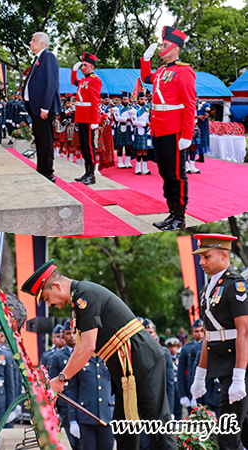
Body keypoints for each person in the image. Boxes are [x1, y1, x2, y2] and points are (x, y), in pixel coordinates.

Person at [22, 260, 175, 450]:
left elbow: (87, 346)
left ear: (56, 285)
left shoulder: (85, 296)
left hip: (143, 362)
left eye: (46, 298)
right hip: (126, 369)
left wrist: (61, 378)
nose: (50, 304)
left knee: (158, 427)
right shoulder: (80, 299)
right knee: (123, 429)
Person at [189, 233, 248, 450]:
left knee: (227, 437)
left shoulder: (235, 285)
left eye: (206, 256)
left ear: (224, 255)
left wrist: (239, 376)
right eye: (200, 257)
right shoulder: (208, 291)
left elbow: (244, 332)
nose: (201, 262)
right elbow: (210, 335)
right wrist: (199, 375)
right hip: (224, 369)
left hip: (239, 367)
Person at [141, 26, 196, 231]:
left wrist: (187, 135)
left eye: (164, 45)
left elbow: (190, 104)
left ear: (175, 48)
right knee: (165, 173)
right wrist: (145, 60)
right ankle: (171, 213)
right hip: (159, 128)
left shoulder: (184, 71)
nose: (161, 48)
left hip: (173, 129)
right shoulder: (163, 71)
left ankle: (180, 217)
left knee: (176, 174)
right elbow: (147, 79)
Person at [23, 32, 61, 183]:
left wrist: (45, 107)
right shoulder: (38, 59)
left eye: (33, 40)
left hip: (43, 109)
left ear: (42, 43)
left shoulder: (48, 57)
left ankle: (48, 173)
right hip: (35, 108)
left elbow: (51, 84)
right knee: (39, 141)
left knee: (45, 141)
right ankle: (41, 169)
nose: (30, 43)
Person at [67, 354, 115, 450]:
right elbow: (72, 391)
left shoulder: (110, 357)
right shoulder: (79, 359)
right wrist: (72, 420)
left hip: (108, 417)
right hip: (86, 417)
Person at [70, 52, 102, 185]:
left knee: (89, 147)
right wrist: (74, 71)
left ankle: (91, 175)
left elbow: (95, 102)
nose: (82, 66)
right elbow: (74, 82)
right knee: (83, 146)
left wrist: (95, 121)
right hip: (81, 116)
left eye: (84, 64)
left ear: (92, 66)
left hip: (89, 117)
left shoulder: (95, 80)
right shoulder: (83, 80)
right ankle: (86, 172)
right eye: (82, 64)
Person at [50, 320, 81, 450]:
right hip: (64, 405)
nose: (72, 336)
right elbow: (53, 385)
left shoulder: (84, 354)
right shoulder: (57, 356)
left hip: (81, 403)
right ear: (62, 335)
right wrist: (54, 410)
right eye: (68, 333)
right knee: (69, 443)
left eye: (74, 333)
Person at [113, 92, 135, 168]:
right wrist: (128, 119)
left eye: (127, 99)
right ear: (121, 99)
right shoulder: (116, 109)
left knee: (129, 146)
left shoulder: (131, 108)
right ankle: (120, 162)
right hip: (121, 127)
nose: (126, 101)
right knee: (120, 146)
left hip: (129, 128)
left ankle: (127, 161)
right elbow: (117, 118)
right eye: (124, 99)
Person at [132, 92, 152, 175]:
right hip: (139, 130)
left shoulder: (147, 108)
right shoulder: (134, 110)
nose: (143, 101)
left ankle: (145, 168)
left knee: (145, 151)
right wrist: (144, 124)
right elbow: (134, 122)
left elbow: (148, 119)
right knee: (139, 151)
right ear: (138, 100)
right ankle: (137, 168)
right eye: (141, 99)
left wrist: (149, 124)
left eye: (144, 99)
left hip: (146, 131)